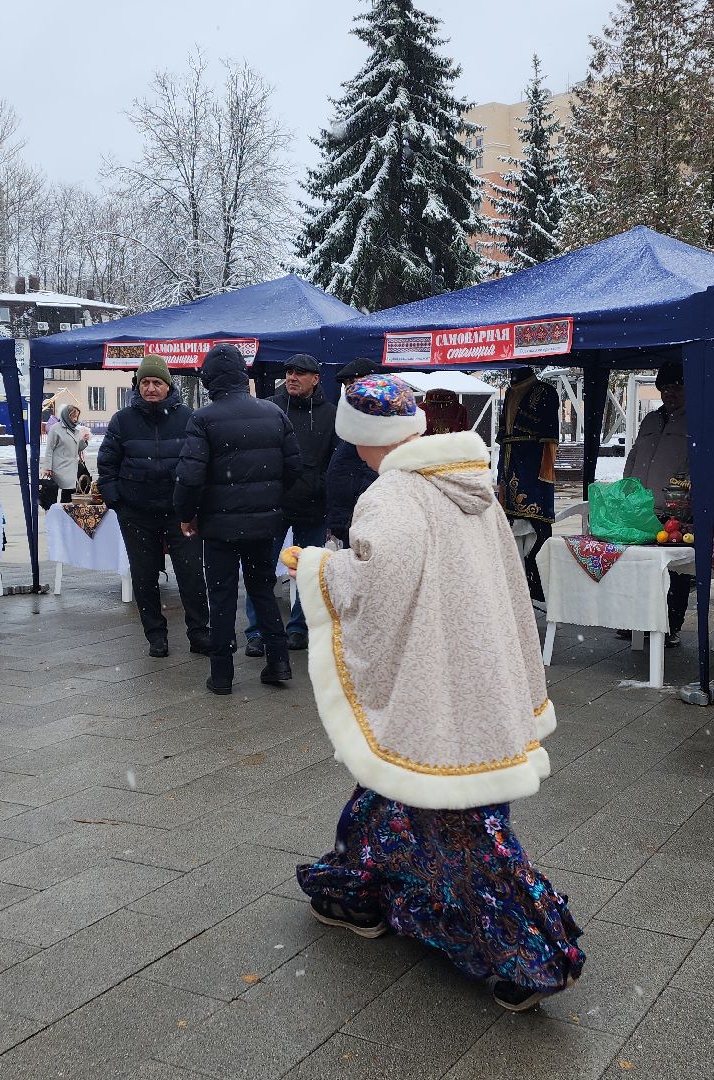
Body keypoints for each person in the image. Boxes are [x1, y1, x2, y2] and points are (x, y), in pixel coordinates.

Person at [286, 375, 584, 1013]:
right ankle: (360, 889)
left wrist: (316, 566)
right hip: (477, 672)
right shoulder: (468, 479)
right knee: (392, 792)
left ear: (365, 437)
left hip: (434, 683)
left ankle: (529, 955)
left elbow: (378, 584)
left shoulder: (392, 493)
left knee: (462, 825)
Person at [175, 342, 301, 695]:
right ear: (242, 375)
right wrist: (271, 499)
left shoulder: (203, 419)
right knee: (263, 590)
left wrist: (187, 515)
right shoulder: (274, 413)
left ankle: (222, 675)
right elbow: (294, 468)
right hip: (263, 524)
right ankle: (278, 663)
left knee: (222, 596)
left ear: (210, 379)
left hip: (218, 526)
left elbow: (189, 477)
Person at [97, 356, 210, 658]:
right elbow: (106, 464)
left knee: (191, 575)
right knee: (144, 577)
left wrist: (194, 502)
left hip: (179, 514)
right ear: (137, 385)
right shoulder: (123, 420)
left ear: (167, 385)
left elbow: (199, 462)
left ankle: (199, 633)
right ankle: (156, 636)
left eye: (156, 382)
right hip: (137, 513)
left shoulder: (187, 417)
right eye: (145, 382)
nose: (150, 388)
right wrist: (117, 501)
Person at [245, 353, 334, 655]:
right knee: (261, 569)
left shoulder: (331, 414)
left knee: (308, 573)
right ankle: (256, 631)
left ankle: (299, 628)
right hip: (272, 505)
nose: (292, 377)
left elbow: (335, 462)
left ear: (316, 378)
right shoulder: (268, 408)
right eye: (289, 372)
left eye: (300, 373)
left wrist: (321, 486)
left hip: (313, 506)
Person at [624, 361, 692, 644]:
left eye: (676, 387)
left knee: (675, 572)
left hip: (675, 507)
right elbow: (634, 455)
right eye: (665, 388)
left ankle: (669, 626)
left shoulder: (697, 420)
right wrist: (627, 486)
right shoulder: (651, 420)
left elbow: (709, 465)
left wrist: (683, 496)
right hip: (641, 506)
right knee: (638, 567)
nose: (670, 393)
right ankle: (636, 622)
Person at [497, 366, 558, 599]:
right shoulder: (510, 392)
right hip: (509, 464)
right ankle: (515, 588)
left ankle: (538, 589)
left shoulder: (545, 391)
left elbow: (550, 440)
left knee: (537, 532)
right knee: (510, 533)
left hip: (531, 468)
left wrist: (544, 479)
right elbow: (503, 437)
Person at [326, 358, 384, 546]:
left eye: (352, 382)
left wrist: (354, 517)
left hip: (361, 521)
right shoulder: (357, 417)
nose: (348, 389)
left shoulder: (376, 418)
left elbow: (372, 473)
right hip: (347, 519)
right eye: (346, 384)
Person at [41, 404, 90, 503]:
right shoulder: (55, 429)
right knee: (62, 492)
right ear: (66, 415)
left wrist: (83, 441)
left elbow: (76, 449)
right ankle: (58, 511)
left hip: (72, 466)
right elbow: (49, 449)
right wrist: (47, 467)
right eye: (73, 416)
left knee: (69, 493)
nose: (75, 419)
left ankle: (64, 512)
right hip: (59, 467)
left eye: (76, 416)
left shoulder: (75, 430)